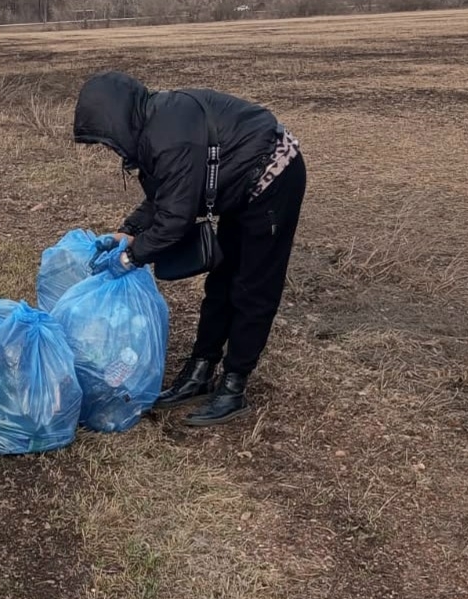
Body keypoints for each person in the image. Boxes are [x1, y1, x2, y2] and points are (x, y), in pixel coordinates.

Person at [73, 71, 306, 427]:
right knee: (221, 283)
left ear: (117, 121)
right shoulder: (151, 128)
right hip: (238, 185)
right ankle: (200, 371)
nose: (111, 149)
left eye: (108, 140)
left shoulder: (170, 137)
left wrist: (130, 257)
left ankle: (234, 385)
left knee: (252, 288)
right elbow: (165, 196)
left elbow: (175, 220)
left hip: (273, 178)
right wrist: (128, 231)